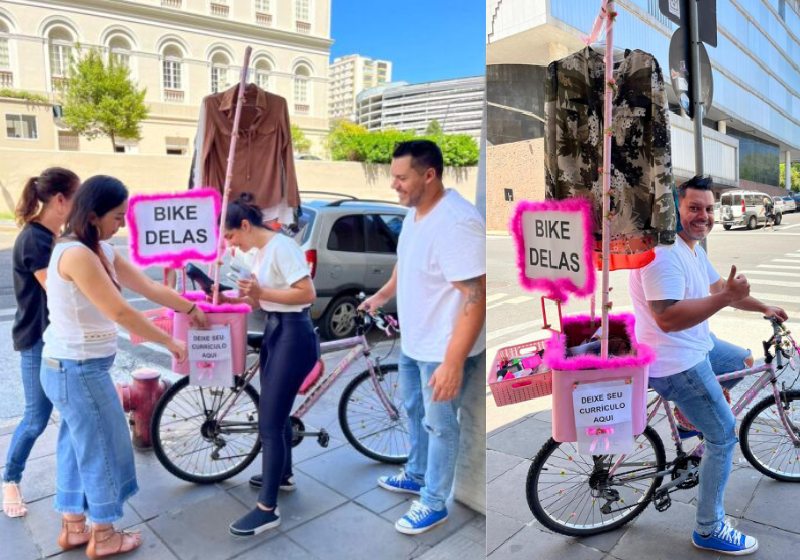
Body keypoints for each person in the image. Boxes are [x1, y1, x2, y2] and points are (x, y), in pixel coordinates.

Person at [40, 175, 208, 558]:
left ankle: (73, 528)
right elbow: (118, 310)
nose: (123, 224)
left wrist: (190, 307)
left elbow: (148, 288)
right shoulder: (77, 254)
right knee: (103, 448)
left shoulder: (98, 249)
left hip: (71, 369)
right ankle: (105, 535)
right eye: (118, 216)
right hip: (78, 370)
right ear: (95, 215)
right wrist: (169, 341)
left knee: (76, 446)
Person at [629, 175, 787, 556]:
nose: (704, 216)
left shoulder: (692, 247)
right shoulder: (663, 255)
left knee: (741, 359)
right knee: (724, 435)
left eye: (709, 209)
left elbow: (720, 291)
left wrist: (761, 305)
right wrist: (727, 297)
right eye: (694, 208)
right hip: (676, 361)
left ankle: (691, 423)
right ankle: (709, 527)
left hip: (697, 345)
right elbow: (667, 318)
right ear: (675, 209)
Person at [360, 140, 486, 534]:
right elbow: (406, 264)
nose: (394, 186)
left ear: (428, 175)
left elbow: (475, 297)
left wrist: (451, 363)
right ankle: (415, 473)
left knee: (440, 426)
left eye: (401, 178)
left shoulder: (457, 222)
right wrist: (382, 296)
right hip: (416, 342)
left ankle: (434, 502)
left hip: (443, 349)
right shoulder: (416, 216)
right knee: (413, 410)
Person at [220, 193, 318, 537]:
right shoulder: (259, 252)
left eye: (231, 236)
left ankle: (267, 509)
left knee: (270, 423)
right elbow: (263, 296)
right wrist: (238, 294)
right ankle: (283, 475)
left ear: (245, 225)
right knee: (273, 414)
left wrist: (260, 292)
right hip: (277, 330)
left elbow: (307, 295)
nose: (231, 243)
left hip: (294, 334)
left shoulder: (282, 247)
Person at [3, 168, 80, 518]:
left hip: (56, 339)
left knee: (72, 413)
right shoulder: (35, 239)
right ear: (60, 201)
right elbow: (58, 290)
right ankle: (10, 481)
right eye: (77, 198)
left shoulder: (53, 236)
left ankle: (76, 484)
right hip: (37, 340)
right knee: (36, 418)